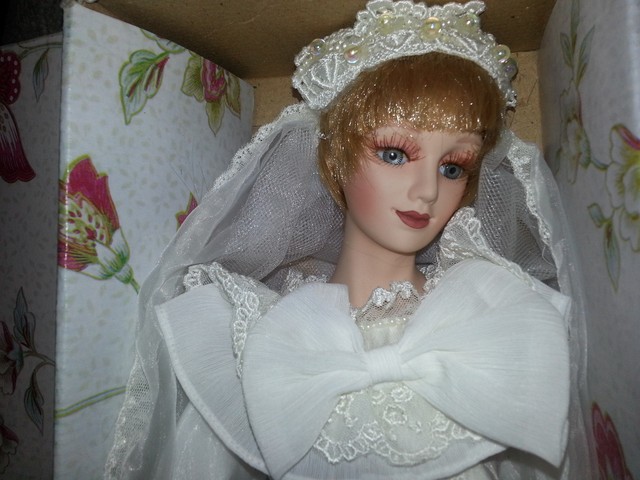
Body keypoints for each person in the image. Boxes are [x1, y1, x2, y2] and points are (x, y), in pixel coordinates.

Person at [105, 1, 591, 479]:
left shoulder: (490, 318)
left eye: (453, 167)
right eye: (395, 154)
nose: (427, 191)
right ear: (336, 158)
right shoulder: (258, 342)